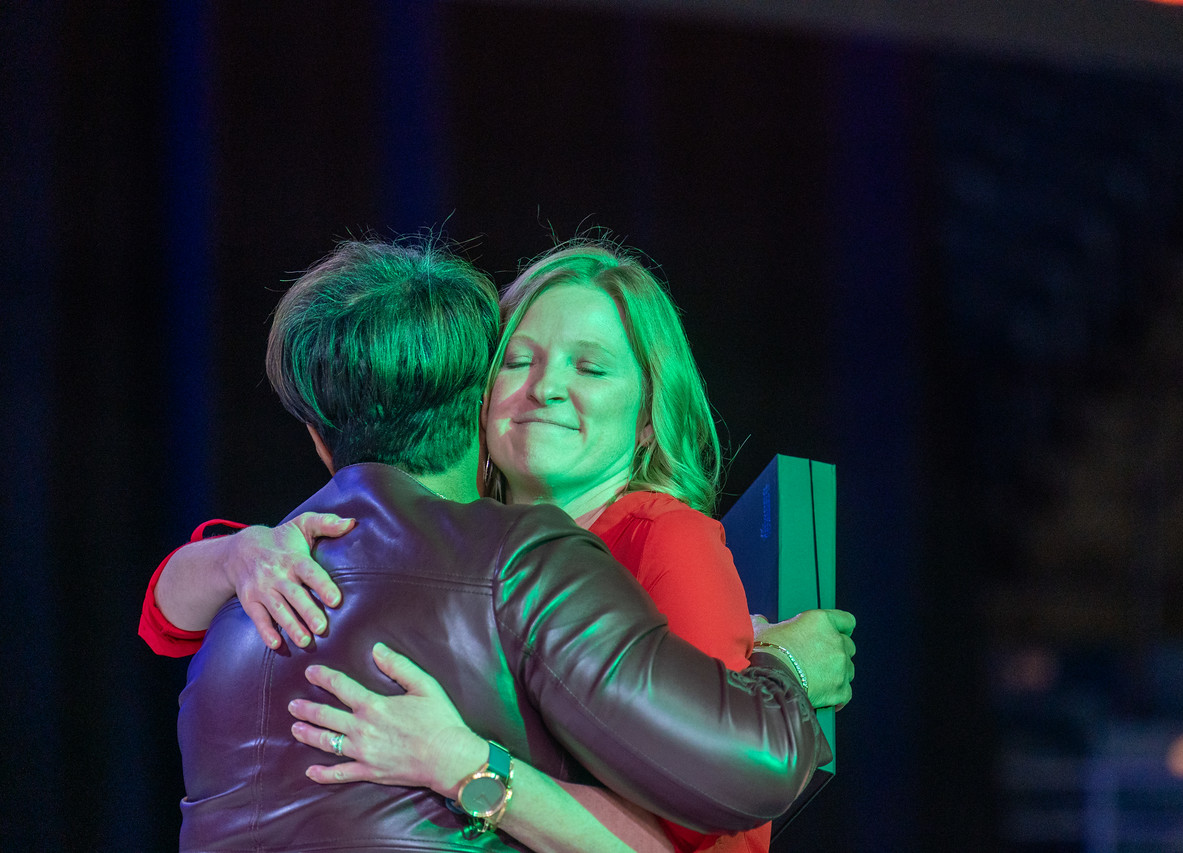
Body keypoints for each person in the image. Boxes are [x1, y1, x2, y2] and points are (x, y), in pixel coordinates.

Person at [151, 237, 848, 853]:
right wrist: (233, 552)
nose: (546, 387)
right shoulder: (321, 560)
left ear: (647, 415)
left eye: (592, 368)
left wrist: (465, 763)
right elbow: (162, 614)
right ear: (475, 393)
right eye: (518, 360)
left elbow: (718, 824)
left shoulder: (662, 538)